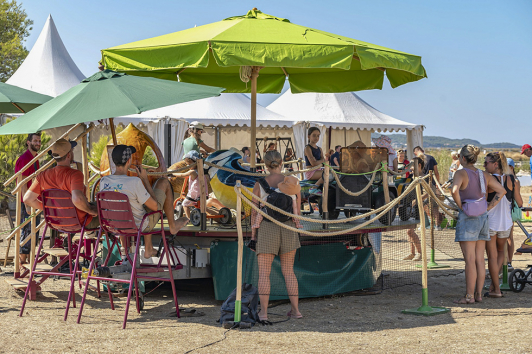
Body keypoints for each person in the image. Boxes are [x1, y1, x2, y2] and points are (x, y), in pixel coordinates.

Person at [99, 145, 189, 259]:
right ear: (128, 161)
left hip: (113, 226)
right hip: (139, 225)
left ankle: (147, 248)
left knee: (138, 205)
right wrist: (145, 180)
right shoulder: (134, 182)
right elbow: (155, 206)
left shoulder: (103, 181)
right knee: (163, 183)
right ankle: (173, 225)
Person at [250, 151, 302, 323]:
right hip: (288, 228)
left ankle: (263, 313)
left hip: (267, 228)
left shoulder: (259, 184)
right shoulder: (292, 182)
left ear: (264, 165)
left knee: (264, 273)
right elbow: (298, 210)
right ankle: (295, 311)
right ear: (282, 163)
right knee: (289, 272)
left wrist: (253, 234)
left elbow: (254, 211)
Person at [451, 145, 506, 304]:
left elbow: (455, 190)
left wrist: (461, 206)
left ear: (462, 158)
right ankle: (478, 294)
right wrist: (488, 207)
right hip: (483, 217)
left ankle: (469, 296)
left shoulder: (460, 173)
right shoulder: (484, 175)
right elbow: (501, 191)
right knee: (480, 260)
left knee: (469, 260)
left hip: (468, 217)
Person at [23, 139, 100, 244]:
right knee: (104, 209)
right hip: (79, 222)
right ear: (69, 155)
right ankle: (118, 251)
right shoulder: (74, 174)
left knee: (92, 206)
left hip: (55, 222)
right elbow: (77, 199)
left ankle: (84, 238)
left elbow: (27, 199)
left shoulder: (42, 176)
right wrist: (91, 211)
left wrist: (47, 208)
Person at [484, 152, 521, 297]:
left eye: (486, 163)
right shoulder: (512, 179)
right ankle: (494, 286)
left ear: (495, 164)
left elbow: (484, 199)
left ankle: (497, 290)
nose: (484, 165)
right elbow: (520, 202)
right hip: (506, 222)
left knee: (492, 256)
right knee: (501, 253)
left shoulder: (489, 179)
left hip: (491, 221)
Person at [172, 150, 225, 218]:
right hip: (203, 192)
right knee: (203, 208)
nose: (188, 166)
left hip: (195, 194)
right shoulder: (201, 170)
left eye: (189, 164)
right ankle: (220, 215)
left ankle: (189, 219)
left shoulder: (192, 171)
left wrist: (172, 174)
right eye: (187, 164)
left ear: (195, 163)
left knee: (185, 205)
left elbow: (183, 175)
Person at [15, 133, 42, 264]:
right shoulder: (25, 158)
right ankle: (22, 262)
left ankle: (27, 261)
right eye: (35, 141)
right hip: (27, 200)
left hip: (35, 199)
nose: (38, 143)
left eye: (39, 141)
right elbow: (23, 182)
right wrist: (26, 203)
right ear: (28, 142)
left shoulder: (35, 158)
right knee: (27, 230)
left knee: (34, 231)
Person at [506, 158, 523, 268]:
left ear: (511, 167)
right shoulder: (513, 179)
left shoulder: (514, 181)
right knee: (508, 236)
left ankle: (508, 261)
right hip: (511, 209)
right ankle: (508, 262)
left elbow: (518, 199)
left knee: (509, 237)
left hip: (510, 209)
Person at [304, 127, 325, 195]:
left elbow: (324, 161)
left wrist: (320, 162)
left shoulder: (320, 149)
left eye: (318, 135)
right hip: (311, 172)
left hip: (318, 170)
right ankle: (313, 188)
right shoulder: (307, 148)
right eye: (314, 135)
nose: (316, 137)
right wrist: (321, 161)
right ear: (308, 136)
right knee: (327, 173)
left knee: (332, 173)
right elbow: (313, 163)